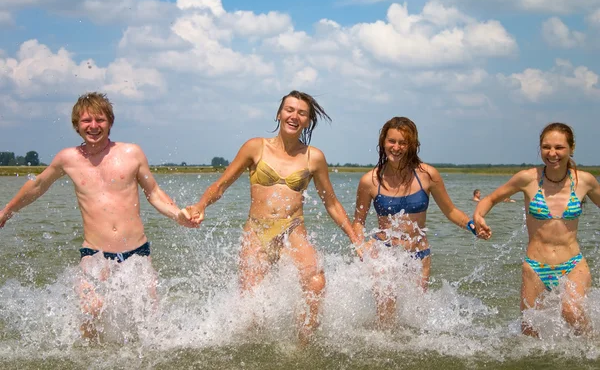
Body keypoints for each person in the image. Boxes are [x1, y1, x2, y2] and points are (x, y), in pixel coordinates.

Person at [0, 92, 195, 340]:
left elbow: (154, 192)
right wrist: (6, 211)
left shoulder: (131, 153)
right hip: (94, 254)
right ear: (76, 126)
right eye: (86, 121)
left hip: (137, 253)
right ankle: (89, 357)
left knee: (148, 321)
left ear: (110, 122)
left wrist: (178, 215)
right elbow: (37, 186)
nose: (93, 126)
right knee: (90, 312)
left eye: (100, 120)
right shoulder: (67, 158)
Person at [180, 90, 362, 344]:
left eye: (301, 113)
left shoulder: (314, 157)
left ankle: (302, 345)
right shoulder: (256, 147)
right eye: (289, 110)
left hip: (293, 232)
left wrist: (355, 238)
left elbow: (330, 203)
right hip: (257, 232)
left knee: (316, 284)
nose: (294, 116)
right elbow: (221, 185)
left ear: (307, 121)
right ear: (279, 114)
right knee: (252, 309)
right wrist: (200, 205)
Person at [473, 122, 600, 337]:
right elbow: (491, 198)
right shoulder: (528, 178)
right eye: (546, 147)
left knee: (572, 312)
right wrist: (478, 216)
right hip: (535, 267)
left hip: (573, 264)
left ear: (572, 148)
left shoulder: (584, 181)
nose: (552, 153)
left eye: (559, 147)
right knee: (529, 332)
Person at [353, 116, 476, 326]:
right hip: (384, 253)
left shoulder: (427, 175)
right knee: (386, 316)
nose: (397, 147)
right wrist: (361, 246)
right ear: (383, 142)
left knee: (413, 318)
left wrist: (472, 226)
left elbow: (451, 211)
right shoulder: (370, 181)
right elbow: (358, 222)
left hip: (418, 255)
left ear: (412, 146)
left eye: (403, 143)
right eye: (392, 141)